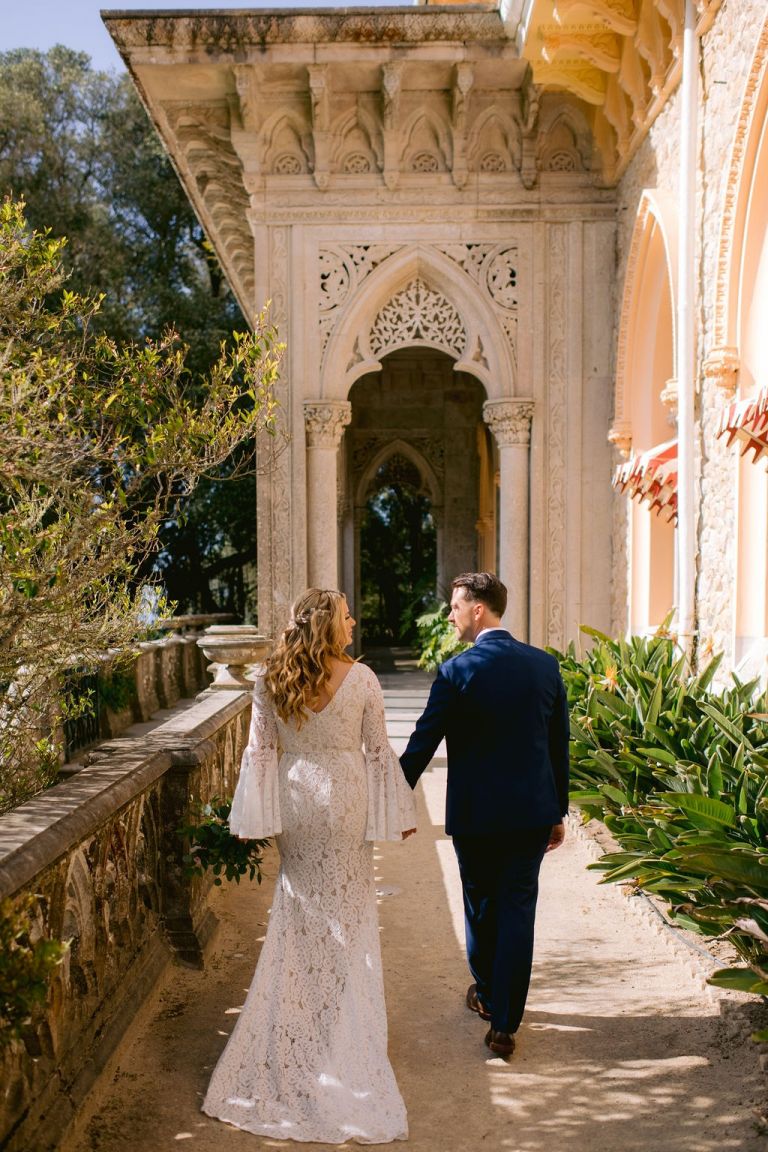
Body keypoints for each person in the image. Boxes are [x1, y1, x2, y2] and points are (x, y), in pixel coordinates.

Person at [203, 588, 417, 1143]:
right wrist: (398, 813)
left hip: (299, 798)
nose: (353, 621)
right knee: (348, 910)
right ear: (329, 624)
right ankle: (336, 1028)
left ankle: (299, 1023)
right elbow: (377, 751)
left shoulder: (271, 678)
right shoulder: (363, 679)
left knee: (298, 908)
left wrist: (259, 815)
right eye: (347, 614)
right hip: (345, 799)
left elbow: (261, 753)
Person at [400, 572, 568, 1058]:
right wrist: (558, 811)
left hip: (475, 817)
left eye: (455, 605)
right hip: (531, 815)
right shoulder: (545, 667)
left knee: (480, 906)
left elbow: (421, 744)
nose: (450, 614)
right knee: (518, 909)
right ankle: (506, 1024)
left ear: (479, 610)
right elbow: (558, 747)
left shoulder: (455, 672)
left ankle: (491, 998)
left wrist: (388, 796)